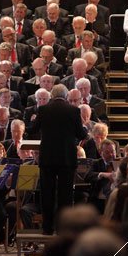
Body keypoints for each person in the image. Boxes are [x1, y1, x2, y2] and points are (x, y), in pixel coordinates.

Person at [27, 85, 88, 234]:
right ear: (66, 96)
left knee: (47, 193)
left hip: (47, 159)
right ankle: (63, 228)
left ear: (52, 95)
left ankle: (47, 228)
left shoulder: (43, 109)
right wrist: (84, 129)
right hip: (66, 159)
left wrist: (33, 122)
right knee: (65, 195)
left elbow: (32, 131)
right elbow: (81, 134)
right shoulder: (74, 110)